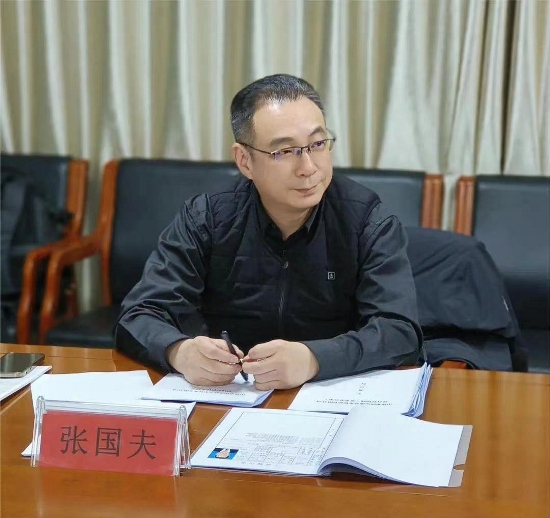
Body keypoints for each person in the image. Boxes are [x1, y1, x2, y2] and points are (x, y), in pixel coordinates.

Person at [115, 74, 422, 390]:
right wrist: (179, 352)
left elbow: (399, 331)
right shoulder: (206, 218)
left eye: (318, 144)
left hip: (330, 396)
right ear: (244, 160)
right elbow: (138, 315)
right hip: (227, 395)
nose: (308, 168)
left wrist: (314, 359)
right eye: (284, 151)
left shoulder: (367, 220)